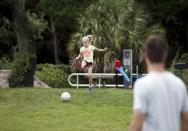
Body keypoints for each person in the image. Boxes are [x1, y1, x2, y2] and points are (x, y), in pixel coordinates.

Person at [129, 35, 188, 131]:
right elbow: (186, 122)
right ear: (165, 55)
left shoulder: (142, 84)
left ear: (146, 55)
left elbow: (137, 125)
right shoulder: (179, 84)